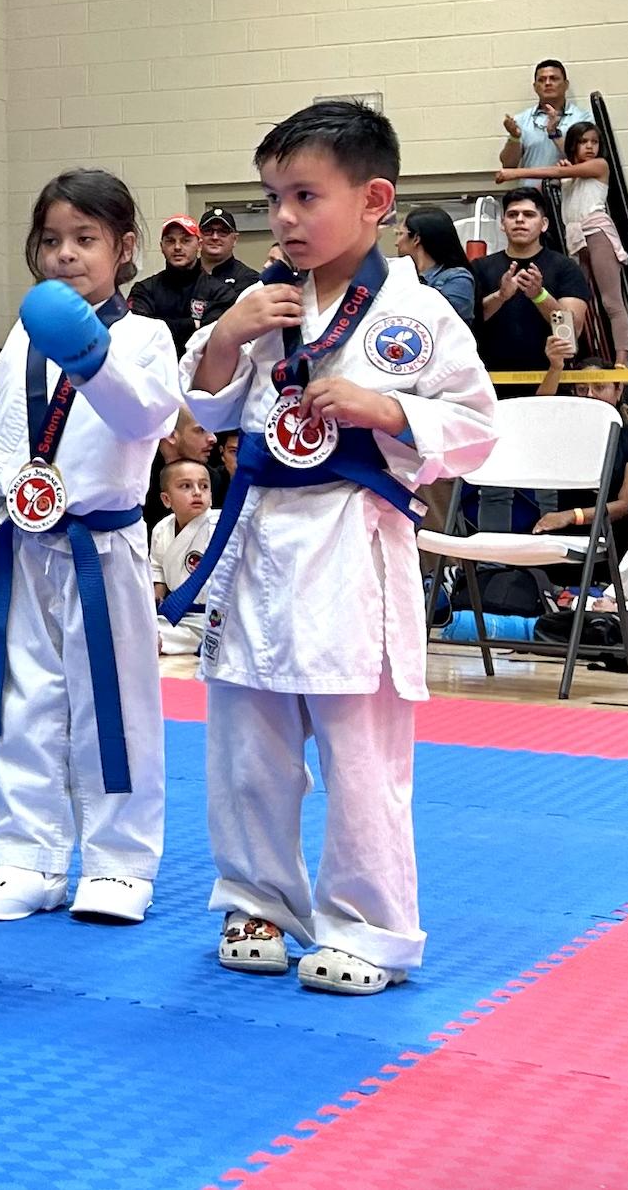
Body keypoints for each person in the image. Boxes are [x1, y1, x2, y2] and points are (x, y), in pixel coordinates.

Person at [180, 102, 495, 996]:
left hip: (355, 547)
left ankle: (371, 926)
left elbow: (476, 430)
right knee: (247, 743)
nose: (281, 218)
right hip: (257, 544)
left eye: (305, 195)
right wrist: (231, 333)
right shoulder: (260, 303)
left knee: (361, 753)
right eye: (271, 197)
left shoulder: (418, 315)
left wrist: (389, 407)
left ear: (375, 200)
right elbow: (203, 408)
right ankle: (257, 898)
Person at [0, 170, 178, 926]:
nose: (66, 255)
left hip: (99, 549)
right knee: (20, 703)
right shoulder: (20, 342)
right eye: (52, 241)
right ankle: (26, 859)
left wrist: (91, 356)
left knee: (114, 706)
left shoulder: (144, 336)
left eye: (86, 240)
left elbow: (147, 419)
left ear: (124, 247)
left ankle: (119, 866)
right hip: (18, 547)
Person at [499, 123, 628, 367]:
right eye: (584, 142)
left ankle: (622, 358)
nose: (590, 146)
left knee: (611, 300)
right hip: (577, 237)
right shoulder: (572, 170)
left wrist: (514, 174)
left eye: (594, 142)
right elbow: (565, 168)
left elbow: (558, 173)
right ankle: (593, 354)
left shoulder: (599, 166)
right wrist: (554, 133)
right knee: (584, 300)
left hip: (596, 230)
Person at [471, 189, 593, 413]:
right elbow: (468, 323)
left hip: (551, 381)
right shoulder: (480, 267)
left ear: (544, 224)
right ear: (502, 223)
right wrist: (500, 296)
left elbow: (572, 329)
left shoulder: (565, 267)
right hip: (489, 385)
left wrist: (540, 295)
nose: (519, 220)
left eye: (528, 214)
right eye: (512, 214)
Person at [527, 356, 628, 560]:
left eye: (599, 387)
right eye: (582, 389)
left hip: (613, 540)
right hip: (563, 536)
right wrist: (556, 366)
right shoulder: (566, 434)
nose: (590, 395)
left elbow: (625, 505)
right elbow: (538, 412)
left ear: (618, 390)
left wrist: (572, 516)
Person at [149, 458, 217, 656]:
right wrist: (152, 607)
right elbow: (158, 574)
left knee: (154, 637)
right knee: (132, 628)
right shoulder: (162, 529)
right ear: (166, 499)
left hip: (212, 617)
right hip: (176, 614)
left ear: (211, 496)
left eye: (204, 486)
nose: (197, 492)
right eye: (186, 486)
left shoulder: (220, 526)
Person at [498, 57, 593, 185]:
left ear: (566, 85)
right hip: (531, 199)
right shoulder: (521, 120)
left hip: (569, 198)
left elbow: (586, 161)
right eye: (542, 80)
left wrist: (554, 133)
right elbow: (508, 165)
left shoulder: (583, 119)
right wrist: (514, 137)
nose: (547, 83)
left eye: (554, 78)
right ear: (535, 87)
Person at [130, 214, 210, 351]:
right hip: (154, 369)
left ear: (199, 245)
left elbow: (214, 336)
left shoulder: (219, 291)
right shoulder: (144, 290)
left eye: (186, 241)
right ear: (161, 246)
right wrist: (192, 325)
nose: (177, 247)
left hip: (202, 369)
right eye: (170, 241)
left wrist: (160, 325)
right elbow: (139, 334)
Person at [394, 207, 477, 326]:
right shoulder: (402, 277)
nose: (396, 243)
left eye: (400, 234)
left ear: (416, 238)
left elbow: (444, 323)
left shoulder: (457, 279)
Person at [190, 208, 261, 327]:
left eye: (223, 232)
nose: (215, 237)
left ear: (235, 239)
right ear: (199, 237)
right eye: (208, 231)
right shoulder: (183, 275)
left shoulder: (249, 280)